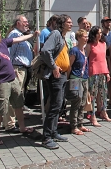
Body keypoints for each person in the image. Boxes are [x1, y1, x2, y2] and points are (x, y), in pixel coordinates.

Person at [0, 24, 37, 146]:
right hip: (0, 83)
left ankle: (22, 128)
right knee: (0, 110)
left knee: (19, 105)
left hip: (13, 80)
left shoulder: (3, 43)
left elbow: (18, 39)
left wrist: (32, 35)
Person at [40, 14, 73, 149]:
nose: (71, 24)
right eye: (69, 22)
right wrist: (54, 66)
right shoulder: (55, 34)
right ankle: (46, 137)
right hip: (56, 76)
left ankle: (53, 132)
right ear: (62, 23)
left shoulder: (62, 37)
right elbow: (45, 51)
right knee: (55, 106)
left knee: (58, 106)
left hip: (62, 75)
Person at [3, 15, 34, 132]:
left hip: (23, 70)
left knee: (18, 97)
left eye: (27, 22)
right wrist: (11, 70)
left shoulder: (21, 35)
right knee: (14, 98)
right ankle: (9, 124)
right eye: (24, 22)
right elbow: (9, 53)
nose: (27, 24)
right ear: (17, 23)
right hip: (17, 69)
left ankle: (10, 122)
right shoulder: (15, 34)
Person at [86, 26, 111, 126]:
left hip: (102, 71)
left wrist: (107, 72)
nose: (100, 34)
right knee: (93, 95)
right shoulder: (90, 45)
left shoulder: (103, 44)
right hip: (93, 72)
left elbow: (104, 59)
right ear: (94, 34)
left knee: (103, 93)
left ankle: (103, 111)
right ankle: (92, 116)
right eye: (98, 33)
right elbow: (86, 59)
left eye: (101, 33)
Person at [68, 29, 91, 135]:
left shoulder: (85, 50)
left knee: (83, 102)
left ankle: (80, 123)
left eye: (87, 36)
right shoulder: (74, 50)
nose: (86, 38)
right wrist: (68, 78)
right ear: (79, 38)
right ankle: (73, 126)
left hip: (84, 78)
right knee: (76, 102)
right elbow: (69, 66)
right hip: (75, 79)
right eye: (84, 36)